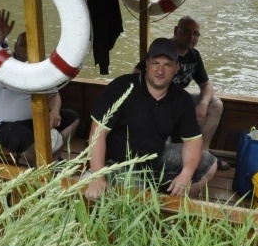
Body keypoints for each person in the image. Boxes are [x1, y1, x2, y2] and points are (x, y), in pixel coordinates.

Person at [86, 38, 217, 200]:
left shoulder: (182, 99)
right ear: (146, 64)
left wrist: (186, 174)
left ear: (177, 68)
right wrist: (97, 176)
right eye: (156, 63)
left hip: (156, 156)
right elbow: (97, 133)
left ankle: (174, 206)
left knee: (209, 165)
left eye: (168, 65)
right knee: (138, 197)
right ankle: (151, 199)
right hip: (119, 163)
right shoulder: (121, 87)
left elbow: (192, 141)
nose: (160, 70)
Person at [133, 17, 226, 165]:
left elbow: (207, 84)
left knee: (215, 104)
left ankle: (203, 153)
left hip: (178, 100)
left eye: (196, 34)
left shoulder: (194, 55)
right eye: (186, 32)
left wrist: (202, 103)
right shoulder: (164, 48)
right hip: (157, 102)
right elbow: (136, 73)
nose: (191, 37)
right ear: (176, 31)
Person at [0, 33, 80, 166]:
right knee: (27, 140)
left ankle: (55, 160)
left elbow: (54, 95)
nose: (26, 49)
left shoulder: (41, 69)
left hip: (34, 120)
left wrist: (54, 111)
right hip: (6, 125)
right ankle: (38, 171)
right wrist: (1, 35)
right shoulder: (3, 67)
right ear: (15, 46)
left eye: (30, 45)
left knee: (73, 117)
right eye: (22, 45)